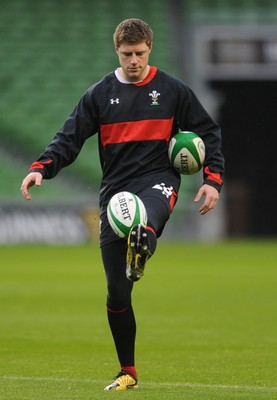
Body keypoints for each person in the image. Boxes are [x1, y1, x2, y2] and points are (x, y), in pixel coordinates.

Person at [20, 18, 224, 391]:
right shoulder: (99, 94)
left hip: (158, 180)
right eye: (127, 54)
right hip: (114, 190)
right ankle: (127, 372)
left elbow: (208, 131)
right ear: (117, 50)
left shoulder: (172, 90)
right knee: (116, 293)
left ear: (150, 49)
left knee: (145, 215)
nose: (134, 60)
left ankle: (142, 241)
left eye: (140, 54)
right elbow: (69, 137)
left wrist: (212, 180)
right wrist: (40, 169)